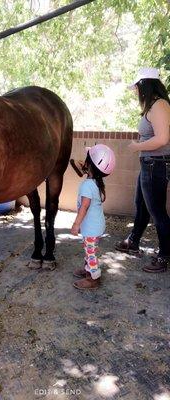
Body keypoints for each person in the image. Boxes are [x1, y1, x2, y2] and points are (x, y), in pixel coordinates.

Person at [115, 67, 170, 273]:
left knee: (158, 213)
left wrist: (137, 146)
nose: (136, 92)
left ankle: (164, 256)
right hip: (150, 163)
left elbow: (163, 139)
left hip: (156, 164)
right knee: (141, 204)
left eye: (137, 87)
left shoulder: (160, 105)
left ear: (144, 85)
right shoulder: (154, 106)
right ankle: (134, 241)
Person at [71, 144, 115, 289]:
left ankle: (93, 278)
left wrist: (76, 224)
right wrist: (87, 167)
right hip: (97, 226)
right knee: (90, 249)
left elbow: (84, 206)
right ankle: (87, 269)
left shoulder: (87, 185)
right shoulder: (97, 182)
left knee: (90, 253)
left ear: (89, 165)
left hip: (91, 228)